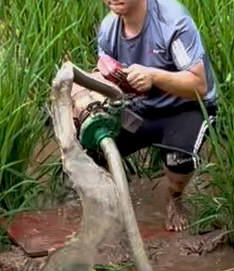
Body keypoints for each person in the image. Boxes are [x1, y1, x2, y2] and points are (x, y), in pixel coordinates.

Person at [91, 0, 218, 232]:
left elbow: (199, 85)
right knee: (94, 144)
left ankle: (175, 197)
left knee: (179, 160)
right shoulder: (108, 28)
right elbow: (106, 76)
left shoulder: (172, 22)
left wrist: (154, 77)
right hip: (141, 105)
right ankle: (115, 199)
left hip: (186, 105)